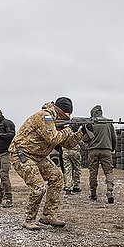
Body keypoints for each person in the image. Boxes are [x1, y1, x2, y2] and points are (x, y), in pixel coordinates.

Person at [9, 97, 86, 230]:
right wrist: (69, 129)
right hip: (22, 154)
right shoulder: (45, 116)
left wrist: (82, 132)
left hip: (38, 156)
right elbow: (53, 138)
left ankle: (49, 215)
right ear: (62, 111)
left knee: (57, 177)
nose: (70, 116)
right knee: (39, 186)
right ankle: (29, 219)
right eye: (68, 114)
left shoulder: (56, 122)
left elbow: (68, 144)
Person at [82, 105, 117, 203]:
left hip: (93, 151)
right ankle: (109, 191)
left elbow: (84, 139)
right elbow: (114, 138)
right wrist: (112, 149)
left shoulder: (91, 123)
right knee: (109, 172)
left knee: (93, 173)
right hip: (106, 150)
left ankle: (93, 194)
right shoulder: (108, 122)